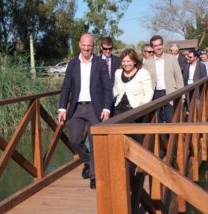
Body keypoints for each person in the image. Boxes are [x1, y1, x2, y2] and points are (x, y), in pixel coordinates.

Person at [58, 33, 113, 189]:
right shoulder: (73, 64)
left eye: (89, 45)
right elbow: (66, 87)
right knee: (74, 139)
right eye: (84, 45)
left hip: (95, 107)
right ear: (79, 45)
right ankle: (89, 162)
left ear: (93, 46)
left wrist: (106, 108)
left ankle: (94, 176)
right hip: (76, 108)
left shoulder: (100, 63)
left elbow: (107, 88)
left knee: (95, 142)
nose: (87, 48)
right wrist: (62, 108)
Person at [143, 35, 184, 123]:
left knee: (171, 119)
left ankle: (172, 136)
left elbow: (179, 78)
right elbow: (144, 82)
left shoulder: (172, 59)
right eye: (155, 45)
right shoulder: (147, 62)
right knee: (157, 121)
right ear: (153, 48)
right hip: (155, 94)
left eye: (159, 44)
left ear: (163, 45)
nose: (158, 47)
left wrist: (182, 95)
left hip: (170, 92)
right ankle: (163, 137)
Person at [113, 48, 153, 116]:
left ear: (134, 61)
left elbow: (149, 93)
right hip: (119, 110)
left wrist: (142, 105)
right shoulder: (118, 73)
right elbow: (115, 91)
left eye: (128, 61)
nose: (125, 64)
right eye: (123, 61)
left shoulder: (143, 73)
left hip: (136, 111)